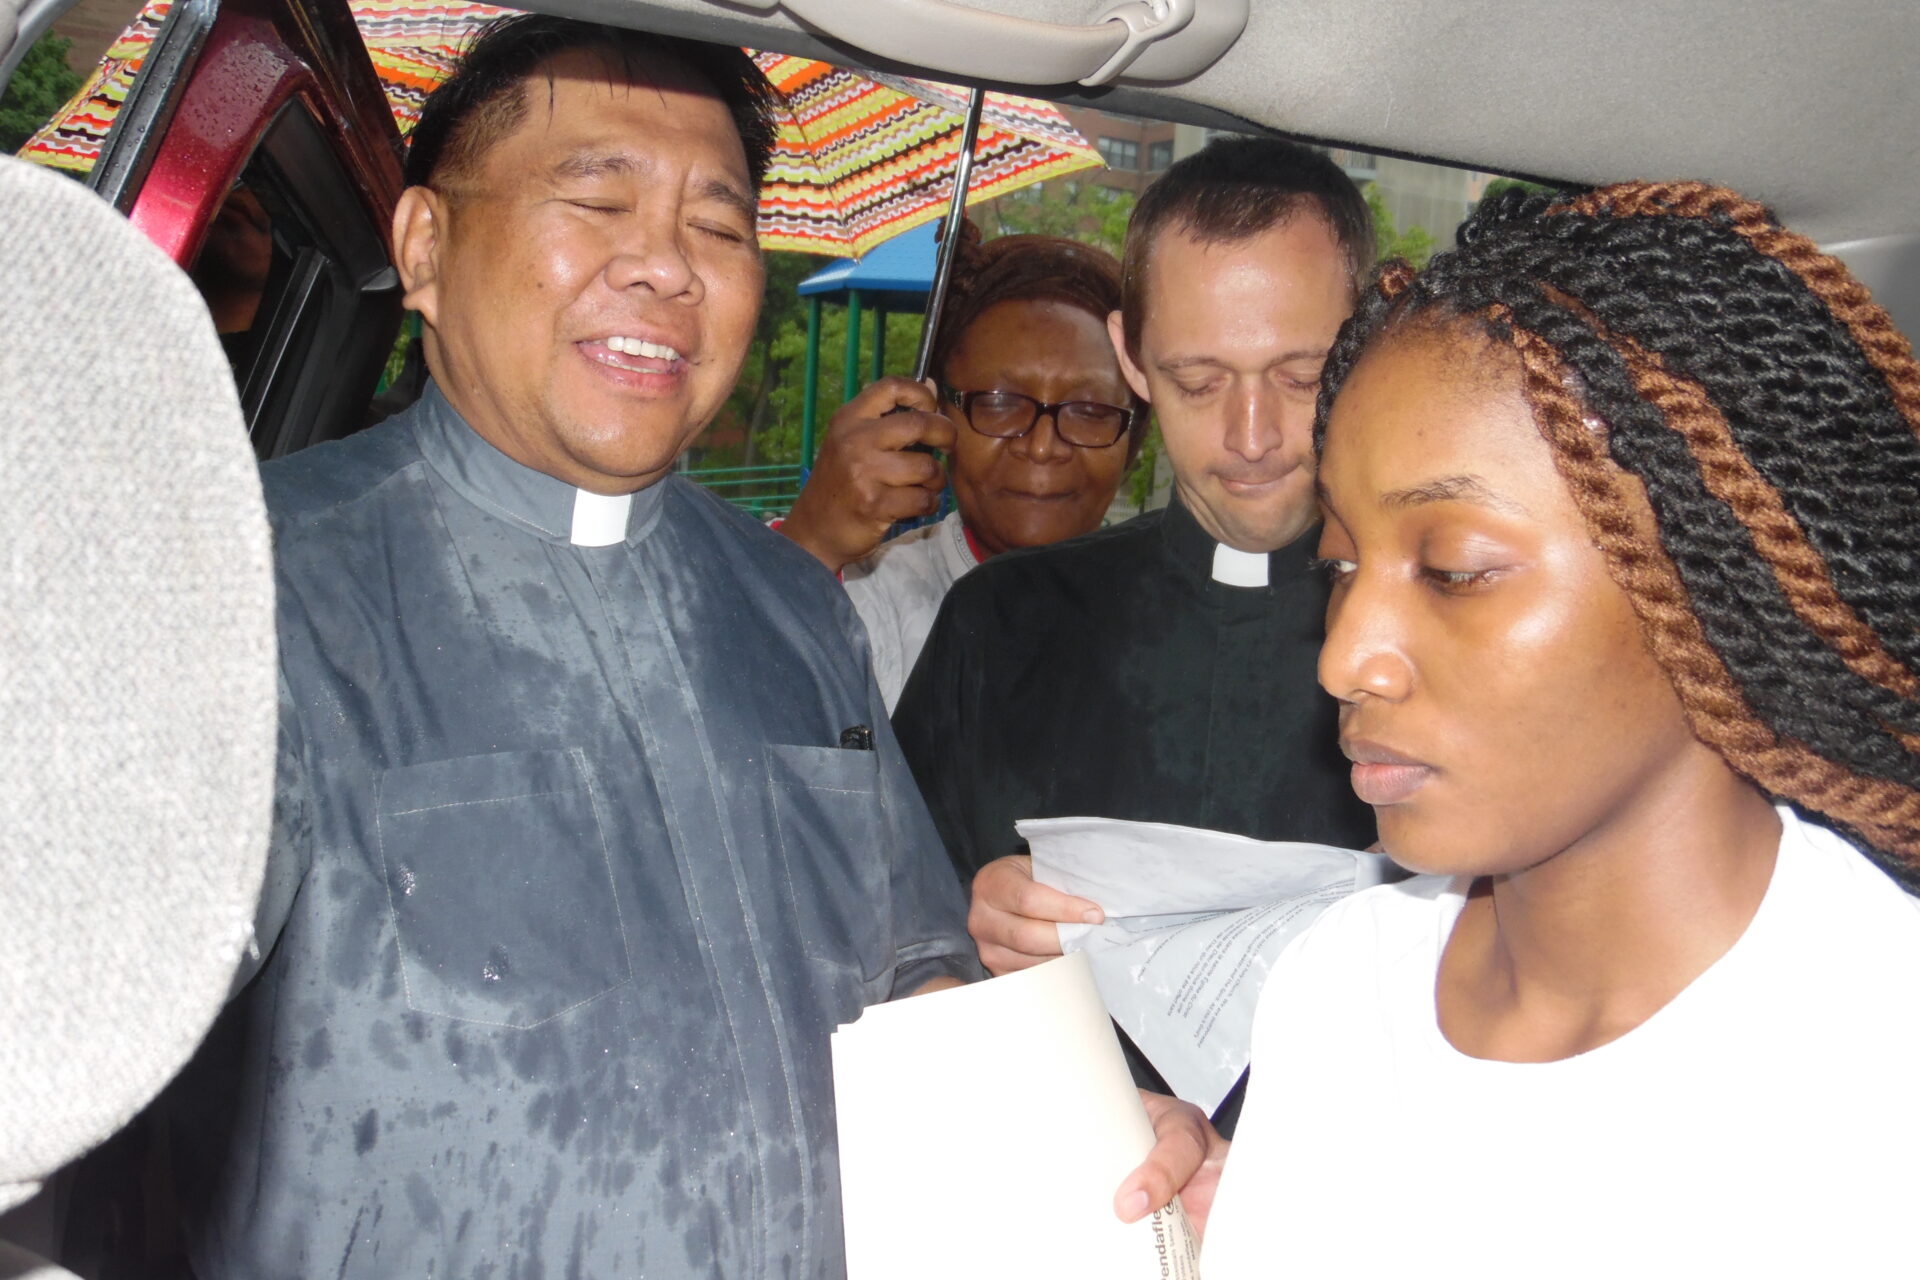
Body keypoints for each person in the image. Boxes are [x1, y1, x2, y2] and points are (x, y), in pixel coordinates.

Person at [149, 18, 978, 1279]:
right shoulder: (245, 585)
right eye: (596, 198)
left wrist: (1065, 1113)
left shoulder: (796, 606)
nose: (664, 268)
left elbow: (914, 950)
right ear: (424, 245)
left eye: (717, 226)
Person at [1140, 180, 1920, 1271]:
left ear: (1704, 584)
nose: (1344, 656)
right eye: (1343, 568)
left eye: (1455, 570)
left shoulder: (1883, 1060)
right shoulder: (1339, 985)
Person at [778, 226, 1145, 708]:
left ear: (1135, 440)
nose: (1041, 447)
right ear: (938, 419)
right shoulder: (865, 605)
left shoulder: (1176, 619)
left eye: (1093, 412)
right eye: (998, 403)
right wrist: (808, 545)